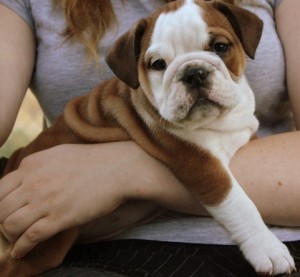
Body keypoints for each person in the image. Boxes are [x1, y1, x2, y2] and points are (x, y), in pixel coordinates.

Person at [0, 0, 300, 276]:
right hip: (86, 250)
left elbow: (198, 162)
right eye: (160, 64)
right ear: (133, 73)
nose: (195, 76)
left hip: (269, 240)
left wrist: (124, 173)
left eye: (218, 47)